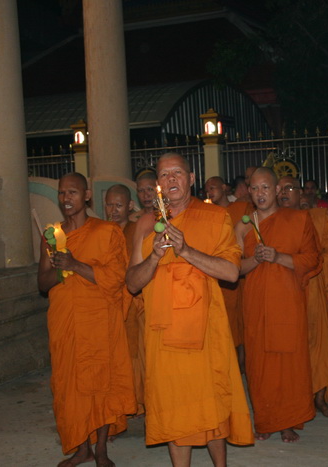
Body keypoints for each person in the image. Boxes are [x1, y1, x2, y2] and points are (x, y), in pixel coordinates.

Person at [126, 154, 253, 466]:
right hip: (163, 336)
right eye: (164, 175)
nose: (170, 180)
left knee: (210, 409)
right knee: (174, 412)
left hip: (204, 335)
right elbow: (131, 283)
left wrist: (186, 250)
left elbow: (231, 272)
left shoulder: (214, 218)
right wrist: (154, 257)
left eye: (177, 173)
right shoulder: (144, 225)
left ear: (192, 178)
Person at [38, 173, 136, 467]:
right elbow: (42, 284)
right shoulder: (53, 234)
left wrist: (75, 264)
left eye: (72, 192)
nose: (66, 198)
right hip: (65, 321)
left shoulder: (107, 232)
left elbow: (117, 278)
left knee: (100, 384)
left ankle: (102, 450)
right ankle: (82, 449)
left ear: (87, 195)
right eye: (61, 193)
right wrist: (59, 269)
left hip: (98, 321)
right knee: (69, 386)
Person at [236, 168, 321, 442]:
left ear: (276, 191)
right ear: (249, 191)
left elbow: (312, 259)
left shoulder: (298, 219)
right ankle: (265, 420)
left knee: (289, 361)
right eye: (255, 188)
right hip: (256, 303)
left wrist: (278, 256)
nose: (260, 194)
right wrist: (257, 260)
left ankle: (288, 422)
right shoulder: (243, 225)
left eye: (265, 188)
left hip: (287, 301)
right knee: (259, 363)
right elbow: (234, 268)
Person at [278, 176, 328, 418]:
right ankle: (296, 399)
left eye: (289, 188)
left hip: (314, 288)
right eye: (280, 189)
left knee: (320, 345)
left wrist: (313, 268)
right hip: (283, 290)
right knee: (290, 347)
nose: (284, 193)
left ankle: (320, 397)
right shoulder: (270, 221)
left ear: (301, 194)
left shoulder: (318, 217)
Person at [105, 184, 146, 416]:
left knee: (136, 356)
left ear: (130, 206)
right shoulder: (101, 232)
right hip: (108, 303)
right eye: (109, 205)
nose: (114, 210)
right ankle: (119, 407)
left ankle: (139, 402)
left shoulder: (136, 230)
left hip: (134, 303)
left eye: (119, 205)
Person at [203, 176, 253, 368]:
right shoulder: (207, 213)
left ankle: (243, 361)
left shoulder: (240, 208)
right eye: (207, 189)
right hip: (220, 271)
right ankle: (229, 362)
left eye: (213, 187)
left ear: (224, 187)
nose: (210, 192)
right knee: (227, 321)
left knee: (242, 319)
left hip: (241, 268)